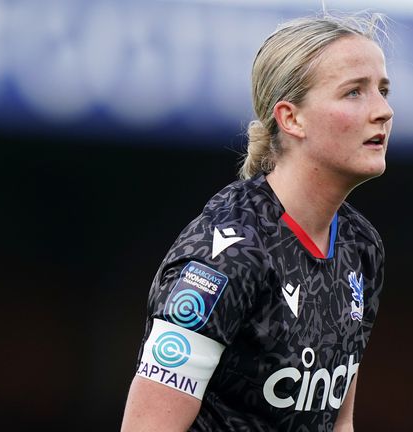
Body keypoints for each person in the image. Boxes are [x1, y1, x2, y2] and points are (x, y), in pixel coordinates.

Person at [120, 11, 393, 432]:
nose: (383, 110)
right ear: (291, 118)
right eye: (354, 93)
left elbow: (338, 421)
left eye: (382, 90)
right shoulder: (227, 255)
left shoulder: (361, 245)